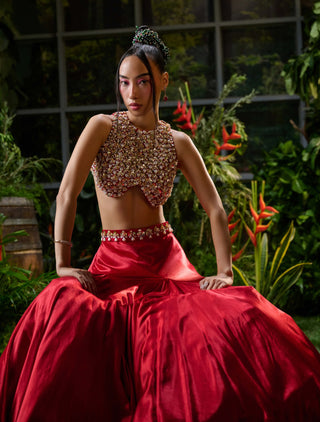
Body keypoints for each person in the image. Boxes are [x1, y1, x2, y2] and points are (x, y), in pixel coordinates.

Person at [0, 26, 320, 422]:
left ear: (162, 82)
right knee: (65, 306)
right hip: (114, 264)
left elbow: (215, 209)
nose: (132, 94)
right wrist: (62, 264)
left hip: (166, 264)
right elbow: (66, 194)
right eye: (124, 83)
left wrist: (223, 270)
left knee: (235, 316)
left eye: (142, 83)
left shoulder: (178, 142)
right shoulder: (102, 127)